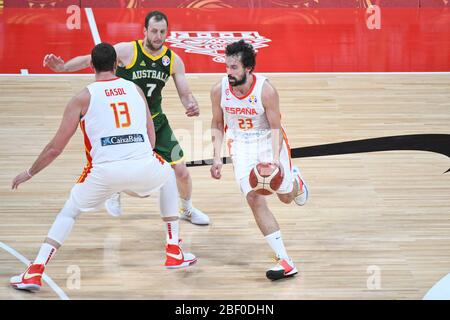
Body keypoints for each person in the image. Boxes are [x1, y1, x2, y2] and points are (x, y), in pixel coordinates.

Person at [10, 43, 197, 292]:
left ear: (91, 65)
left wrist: (29, 172)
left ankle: (35, 270)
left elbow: (55, 148)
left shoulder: (82, 98)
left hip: (103, 173)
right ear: (117, 64)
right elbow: (151, 140)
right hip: (143, 165)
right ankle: (173, 248)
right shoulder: (136, 90)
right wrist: (137, 173)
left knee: (69, 212)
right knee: (168, 176)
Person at [43, 10, 209, 225]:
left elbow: (185, 94)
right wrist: (63, 67)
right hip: (127, 124)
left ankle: (186, 209)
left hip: (157, 122)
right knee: (132, 178)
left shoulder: (173, 60)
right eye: (154, 31)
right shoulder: (127, 50)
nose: (158, 36)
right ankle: (115, 190)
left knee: (182, 172)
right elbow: (89, 59)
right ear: (145, 31)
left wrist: (191, 104)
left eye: (162, 32)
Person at [210, 40, 309, 281]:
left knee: (284, 197)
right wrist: (216, 157)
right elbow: (216, 122)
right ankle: (285, 261)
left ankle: (296, 183)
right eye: (227, 67)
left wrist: (274, 161)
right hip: (241, 145)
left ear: (249, 68)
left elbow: (276, 128)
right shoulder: (218, 90)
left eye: (234, 67)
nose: (229, 72)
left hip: (267, 141)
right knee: (254, 198)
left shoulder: (266, 91)